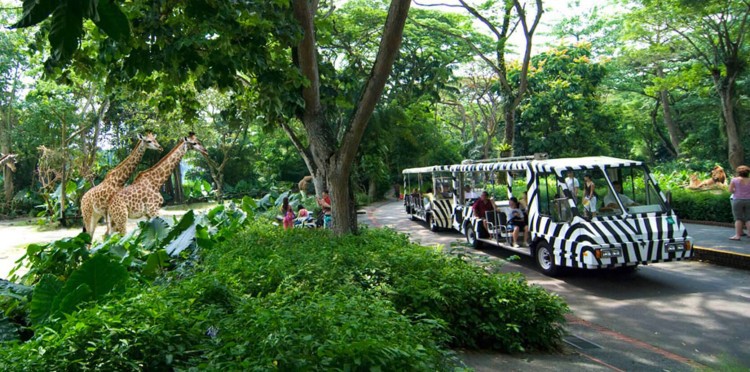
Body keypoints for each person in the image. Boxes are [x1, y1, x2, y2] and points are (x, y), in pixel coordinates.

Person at [728, 165, 750, 240]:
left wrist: (736, 191)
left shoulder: (734, 180)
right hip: (748, 200)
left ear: (738, 172)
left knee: (738, 218)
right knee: (748, 218)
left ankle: (737, 235)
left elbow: (730, 190)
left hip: (737, 200)